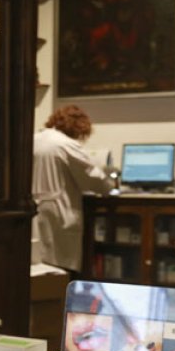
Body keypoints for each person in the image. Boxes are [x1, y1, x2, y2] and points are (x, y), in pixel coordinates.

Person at [32, 105, 115, 273]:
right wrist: (110, 185)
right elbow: (93, 178)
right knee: (60, 267)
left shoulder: (34, 139)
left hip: (35, 210)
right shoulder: (65, 144)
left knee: (39, 267)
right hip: (59, 213)